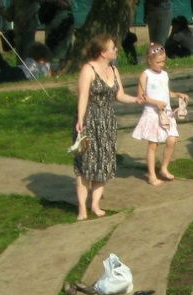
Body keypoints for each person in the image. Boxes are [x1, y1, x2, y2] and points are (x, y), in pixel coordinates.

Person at [73, 34, 144, 221]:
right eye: (112, 48)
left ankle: (95, 205)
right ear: (102, 53)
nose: (116, 50)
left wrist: (135, 99)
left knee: (103, 163)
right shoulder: (88, 70)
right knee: (85, 164)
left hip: (107, 122)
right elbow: (83, 97)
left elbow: (119, 95)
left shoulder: (114, 70)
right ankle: (82, 208)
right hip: (89, 121)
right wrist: (80, 120)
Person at [132, 44, 189, 185]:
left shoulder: (164, 75)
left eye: (163, 62)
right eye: (158, 62)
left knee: (172, 139)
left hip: (166, 113)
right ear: (149, 60)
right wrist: (155, 102)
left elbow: (166, 92)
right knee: (153, 144)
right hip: (152, 114)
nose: (161, 65)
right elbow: (141, 96)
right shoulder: (145, 75)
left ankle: (164, 168)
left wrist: (177, 94)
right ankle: (152, 175)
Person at [39, 0, 74, 68]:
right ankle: (55, 68)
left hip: (60, 17)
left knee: (57, 47)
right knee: (53, 46)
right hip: (55, 17)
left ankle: (56, 68)